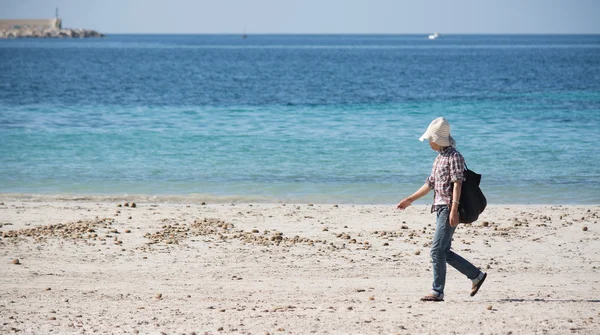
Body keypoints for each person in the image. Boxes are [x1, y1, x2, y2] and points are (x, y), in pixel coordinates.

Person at [396, 117, 487, 302]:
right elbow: (430, 183)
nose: (429, 142)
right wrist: (409, 200)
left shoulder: (455, 157)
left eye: (431, 139)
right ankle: (476, 276)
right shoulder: (439, 158)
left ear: (438, 139)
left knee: (436, 250)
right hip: (438, 208)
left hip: (448, 207)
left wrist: (454, 209)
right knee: (443, 251)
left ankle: (437, 291)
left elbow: (457, 185)